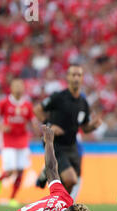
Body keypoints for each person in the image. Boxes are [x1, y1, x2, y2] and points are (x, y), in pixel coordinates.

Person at [33, 64, 102, 197]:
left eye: (79, 75)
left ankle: (60, 205)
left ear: (82, 78)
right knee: (70, 179)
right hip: (54, 144)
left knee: (70, 182)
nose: (76, 78)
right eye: (73, 75)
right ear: (68, 78)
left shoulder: (83, 102)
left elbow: (85, 128)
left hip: (71, 145)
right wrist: (49, 125)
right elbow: (37, 109)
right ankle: (48, 172)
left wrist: (93, 126)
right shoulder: (58, 97)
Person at [0, 79, 37, 208]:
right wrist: (1, 127)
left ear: (23, 89)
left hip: (22, 138)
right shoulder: (4, 102)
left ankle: (12, 198)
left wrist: (35, 127)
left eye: (20, 86)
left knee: (21, 170)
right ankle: (0, 178)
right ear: (11, 88)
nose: (18, 88)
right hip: (8, 139)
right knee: (11, 171)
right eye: (15, 85)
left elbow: (32, 119)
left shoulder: (27, 105)